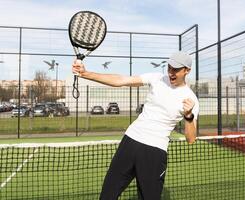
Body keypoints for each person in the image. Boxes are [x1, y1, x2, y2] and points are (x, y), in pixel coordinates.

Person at [72, 51, 199, 200]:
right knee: (107, 195)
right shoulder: (157, 78)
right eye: (169, 67)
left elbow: (191, 139)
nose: (171, 72)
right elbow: (121, 80)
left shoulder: (191, 99)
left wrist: (188, 116)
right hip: (130, 142)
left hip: (154, 151)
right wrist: (86, 74)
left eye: (176, 69)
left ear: (187, 71)